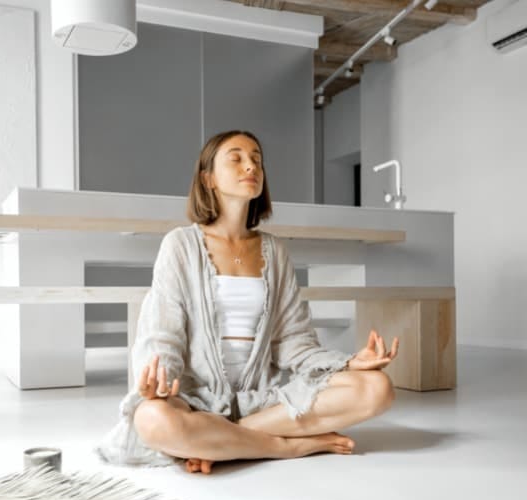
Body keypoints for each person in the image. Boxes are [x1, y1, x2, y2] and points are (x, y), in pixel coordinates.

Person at [96, 130, 399, 474]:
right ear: (208, 178)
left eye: (257, 159)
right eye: (236, 158)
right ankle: (287, 447)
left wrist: (348, 363)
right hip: (197, 401)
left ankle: (223, 443)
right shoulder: (180, 245)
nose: (250, 166)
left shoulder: (275, 251)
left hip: (263, 401)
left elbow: (294, 343)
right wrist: (158, 379)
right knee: (153, 419)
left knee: (377, 389)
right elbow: (163, 332)